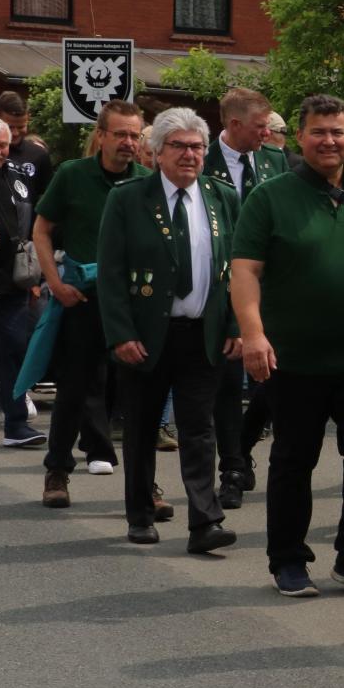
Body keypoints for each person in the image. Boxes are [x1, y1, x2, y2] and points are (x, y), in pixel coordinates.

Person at [231, 94, 344, 599]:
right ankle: (288, 560)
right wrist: (253, 334)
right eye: (319, 131)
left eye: (338, 131)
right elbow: (244, 272)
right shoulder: (270, 197)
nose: (329, 140)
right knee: (294, 461)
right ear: (300, 137)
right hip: (293, 360)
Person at [96, 109, 242, 552]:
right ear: (156, 152)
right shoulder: (128, 198)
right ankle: (140, 514)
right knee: (141, 427)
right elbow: (111, 272)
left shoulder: (221, 197)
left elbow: (236, 268)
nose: (190, 155)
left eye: (197, 146)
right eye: (179, 146)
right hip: (146, 336)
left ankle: (205, 522)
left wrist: (235, 323)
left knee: (199, 428)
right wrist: (121, 333)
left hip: (203, 333)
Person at [33, 100, 148, 507]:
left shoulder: (147, 181)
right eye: (120, 134)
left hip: (132, 306)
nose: (129, 143)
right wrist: (54, 282)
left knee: (137, 397)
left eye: (135, 135)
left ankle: (145, 487)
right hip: (82, 299)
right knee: (73, 390)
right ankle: (57, 472)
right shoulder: (72, 175)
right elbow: (42, 230)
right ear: (100, 135)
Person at [205, 87, 289, 509]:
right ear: (234, 125)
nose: (266, 134)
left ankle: (240, 445)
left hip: (271, 288)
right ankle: (232, 470)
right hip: (220, 286)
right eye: (259, 127)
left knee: (271, 381)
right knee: (225, 383)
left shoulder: (275, 162)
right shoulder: (202, 161)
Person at [0, 115, 40, 449]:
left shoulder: (17, 175)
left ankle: (16, 427)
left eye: (3, 144)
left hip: (11, 283)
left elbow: (33, 222)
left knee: (15, 352)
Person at [0, 92, 52, 207]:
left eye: (21, 127)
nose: (15, 133)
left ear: (28, 119)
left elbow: (47, 201)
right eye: (9, 127)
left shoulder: (39, 155)